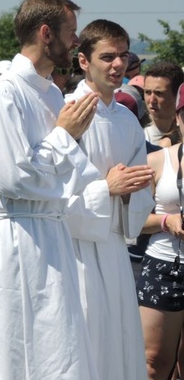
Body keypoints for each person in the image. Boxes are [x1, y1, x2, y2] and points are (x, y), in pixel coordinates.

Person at [0, 0, 101, 380]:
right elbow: (13, 178)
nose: (76, 41)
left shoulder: (49, 92)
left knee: (55, 346)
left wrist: (67, 142)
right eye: (71, 32)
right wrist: (64, 137)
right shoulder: (4, 94)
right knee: (11, 347)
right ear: (46, 33)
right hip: (16, 237)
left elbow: (64, 174)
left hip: (51, 234)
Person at [64, 19, 154, 380]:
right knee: (82, 339)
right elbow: (55, 191)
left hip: (114, 244)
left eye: (123, 56)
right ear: (84, 61)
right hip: (74, 249)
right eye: (107, 56)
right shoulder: (68, 111)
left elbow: (139, 189)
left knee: (116, 341)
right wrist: (107, 188)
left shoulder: (128, 120)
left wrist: (134, 189)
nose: (117, 64)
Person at [137, 91, 184, 380]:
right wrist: (168, 221)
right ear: (178, 117)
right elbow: (133, 222)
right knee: (152, 363)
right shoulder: (157, 161)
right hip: (163, 267)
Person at [143, 62, 184, 147]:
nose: (151, 100)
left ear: (177, 96)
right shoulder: (139, 138)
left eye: (159, 93)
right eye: (147, 92)